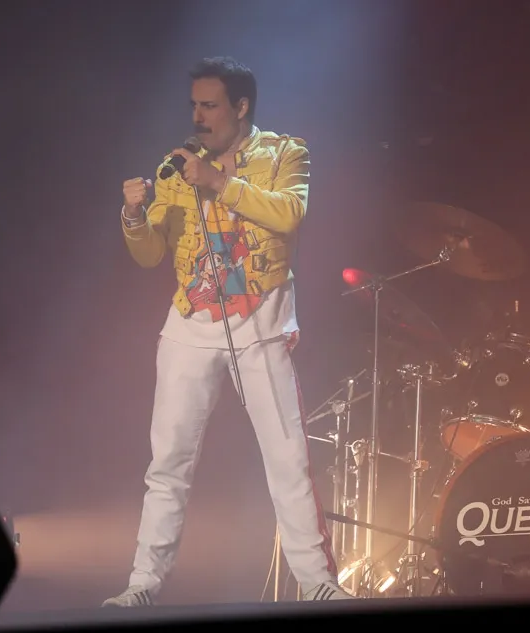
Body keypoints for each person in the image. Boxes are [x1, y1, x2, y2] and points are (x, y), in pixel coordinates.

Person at [103, 57, 354, 606]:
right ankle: (143, 584)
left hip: (260, 327)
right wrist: (134, 217)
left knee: (287, 461)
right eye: (194, 105)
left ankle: (317, 583)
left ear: (241, 107)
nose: (198, 115)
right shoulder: (175, 166)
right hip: (189, 327)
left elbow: (289, 214)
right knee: (168, 463)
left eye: (210, 105)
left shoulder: (286, 152)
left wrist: (218, 181)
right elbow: (149, 255)